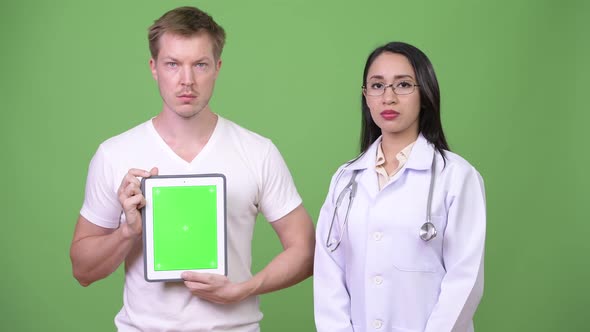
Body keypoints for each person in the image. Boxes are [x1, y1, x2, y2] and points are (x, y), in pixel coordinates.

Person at [69, 6, 315, 331]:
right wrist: (128, 231)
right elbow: (83, 271)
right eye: (173, 64)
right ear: (154, 67)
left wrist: (242, 289)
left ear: (217, 67)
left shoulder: (258, 152)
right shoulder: (115, 154)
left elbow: (306, 250)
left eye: (200, 64)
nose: (187, 81)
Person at [313, 41, 486, 332]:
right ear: (366, 97)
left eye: (403, 84)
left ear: (425, 94)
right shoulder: (345, 179)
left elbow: (464, 280)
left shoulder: (456, 176)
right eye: (377, 86)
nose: (388, 97)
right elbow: (329, 274)